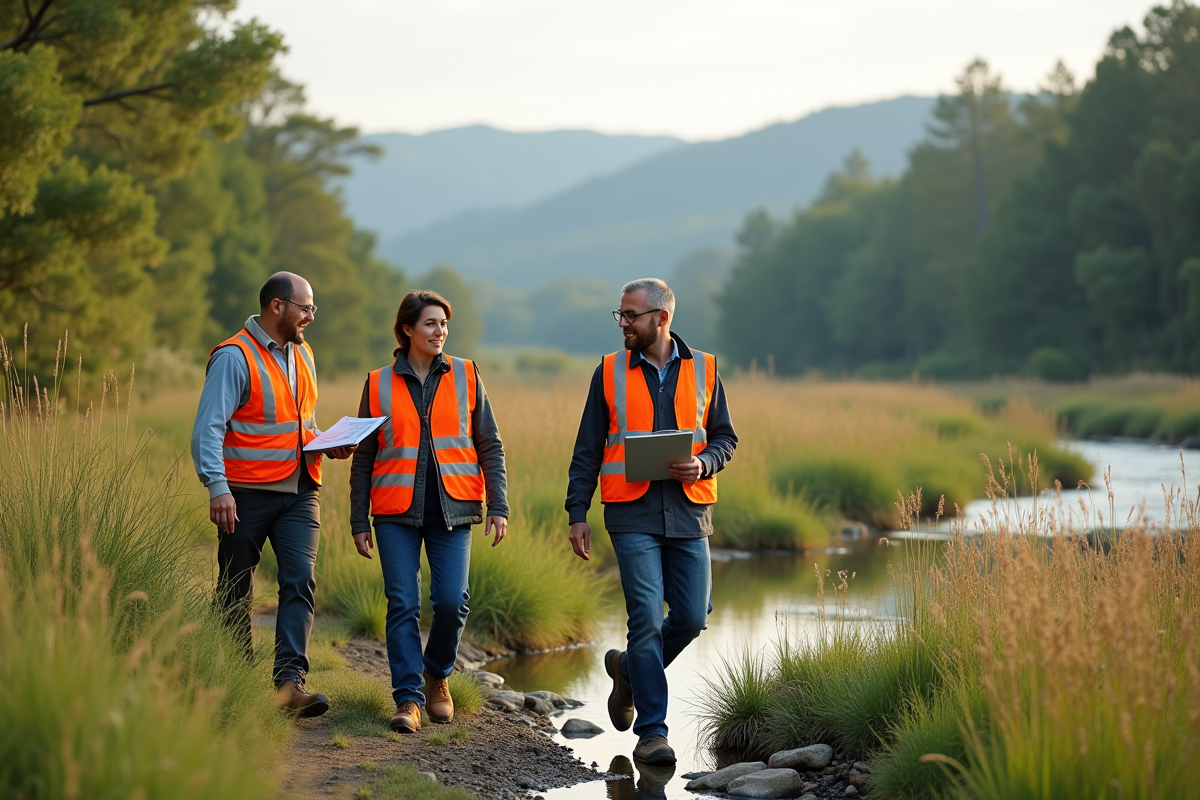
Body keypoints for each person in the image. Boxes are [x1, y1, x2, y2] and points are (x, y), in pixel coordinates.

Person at [565, 278, 737, 766]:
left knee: (692, 616)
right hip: (630, 512)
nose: (623, 323)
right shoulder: (608, 371)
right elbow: (587, 449)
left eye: (631, 315)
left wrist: (703, 463)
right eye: (620, 315)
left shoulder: (705, 368)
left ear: (661, 318)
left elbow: (725, 438)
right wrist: (577, 513)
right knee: (644, 619)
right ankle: (652, 734)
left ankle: (626, 671)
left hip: (689, 511)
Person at [191, 272, 355, 718]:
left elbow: (301, 423)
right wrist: (217, 487)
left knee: (299, 579)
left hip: (301, 489)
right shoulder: (234, 357)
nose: (311, 317)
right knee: (235, 587)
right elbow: (208, 429)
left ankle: (289, 686)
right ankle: (235, 679)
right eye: (306, 308)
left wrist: (328, 442)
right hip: (244, 494)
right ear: (277, 306)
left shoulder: (304, 354)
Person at [349, 289, 508, 734]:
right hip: (394, 510)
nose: (440, 332)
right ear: (407, 329)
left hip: (453, 508)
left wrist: (498, 504)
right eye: (431, 324)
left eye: (444, 324)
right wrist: (359, 518)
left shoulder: (467, 374)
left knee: (452, 602)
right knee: (402, 603)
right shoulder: (378, 383)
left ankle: (437, 673)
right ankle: (408, 698)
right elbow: (364, 456)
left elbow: (489, 445)